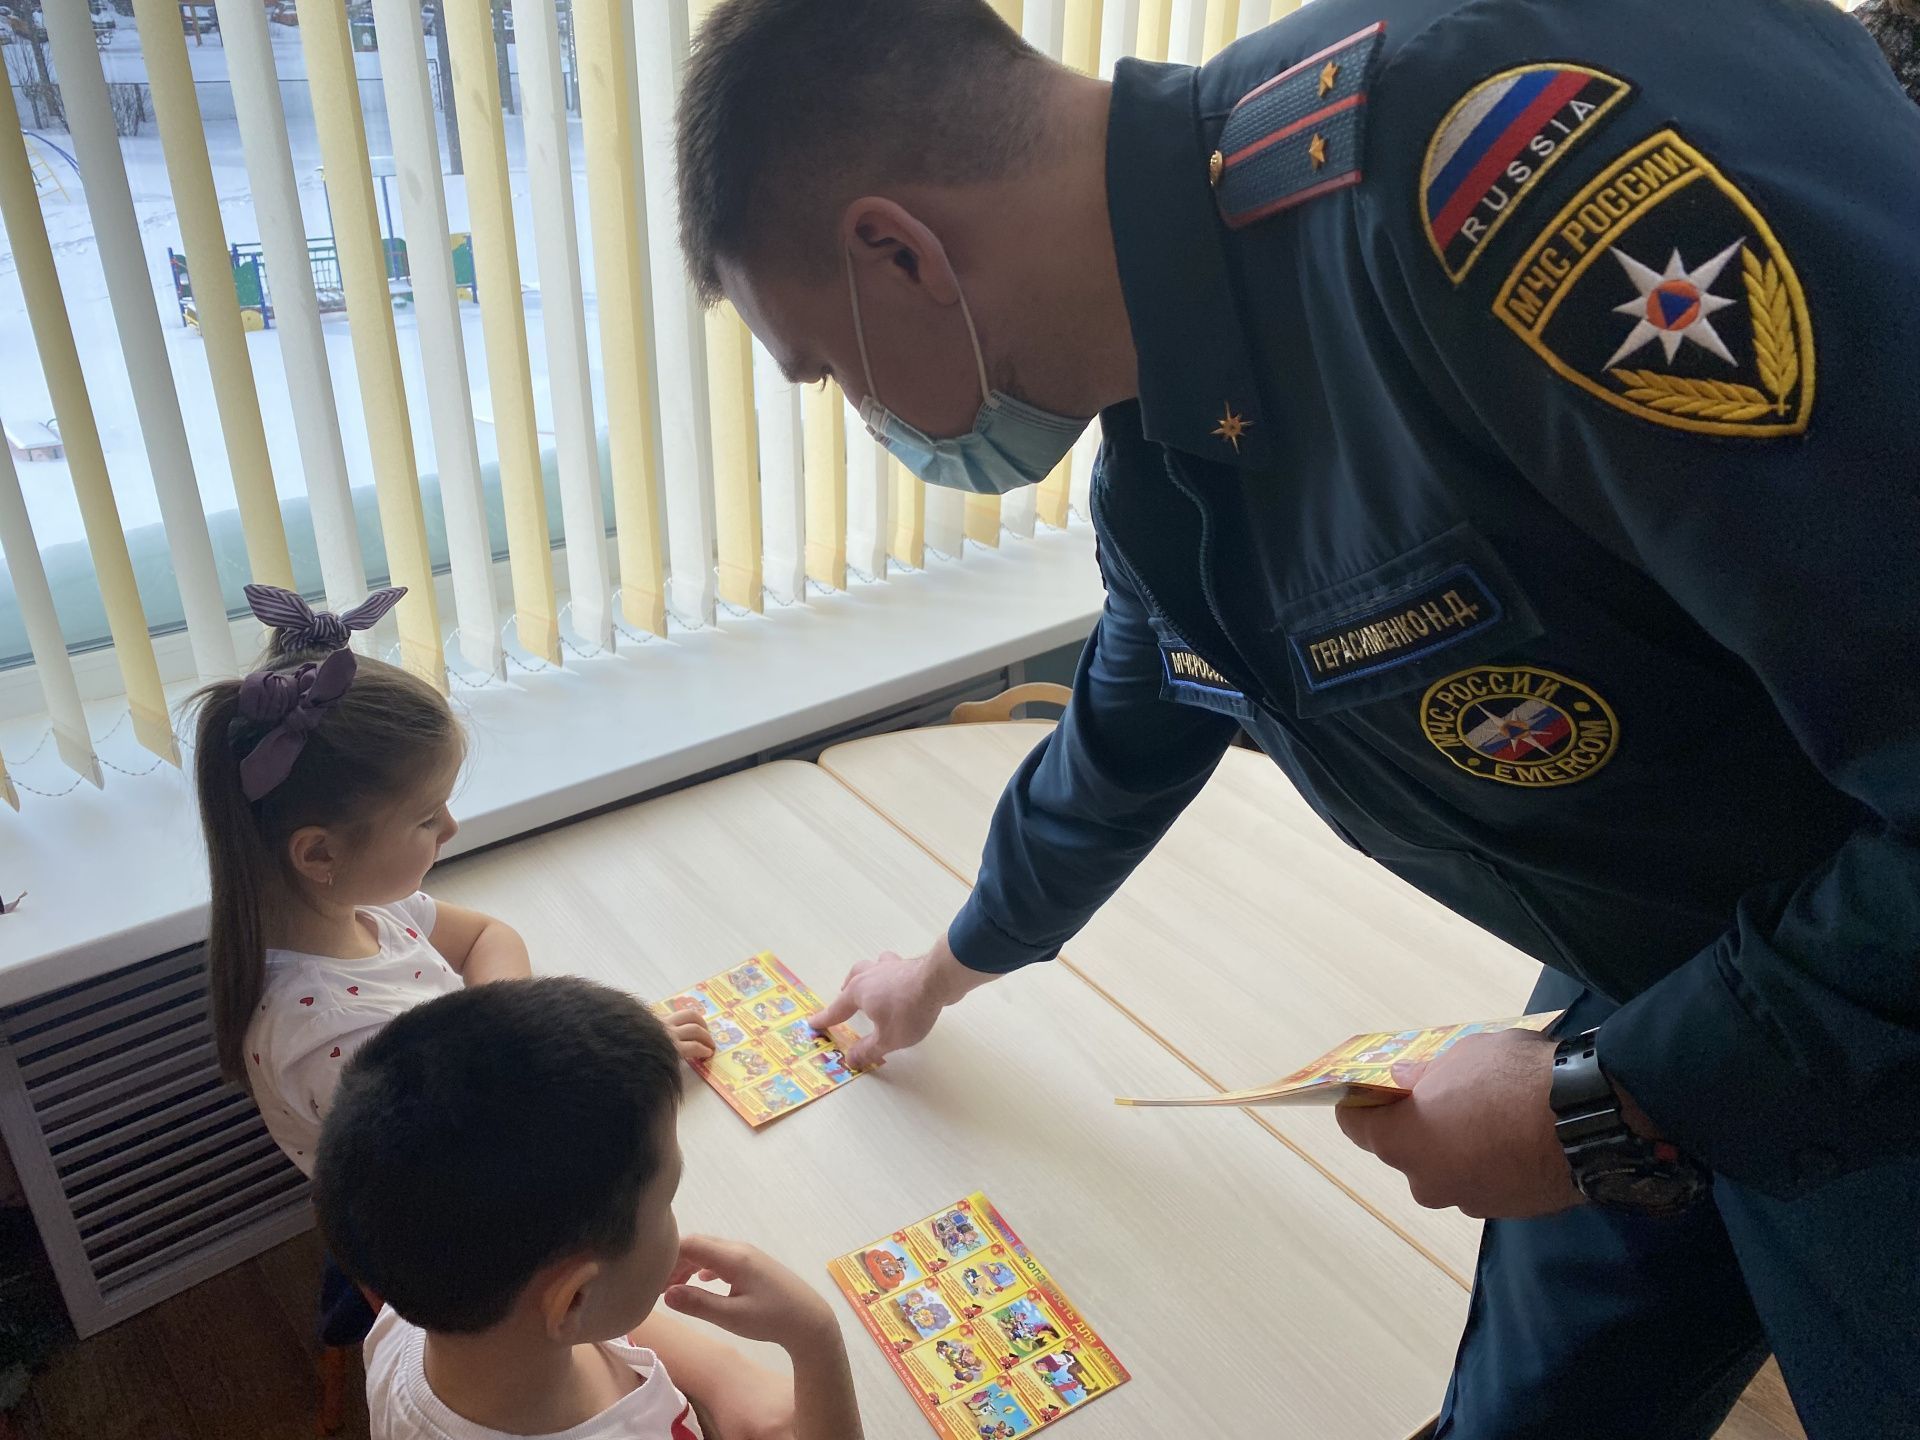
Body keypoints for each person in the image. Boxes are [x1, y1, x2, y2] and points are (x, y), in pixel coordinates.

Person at [672, 1, 1920, 1436]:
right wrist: (944, 970)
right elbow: (1132, 728)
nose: (861, 412)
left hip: (1857, 1006)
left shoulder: (1482, 183)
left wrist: (1621, 1099)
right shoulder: (1169, 437)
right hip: (1662, 959)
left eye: (829, 369)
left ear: (900, 252)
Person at [189, 586, 715, 1345]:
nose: (452, 827)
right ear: (319, 853)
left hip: (473, 1179)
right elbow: (503, 1170)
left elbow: (488, 936)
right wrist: (563, 1064)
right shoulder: (332, 1036)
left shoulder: (363, 909)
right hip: (458, 1269)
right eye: (426, 817)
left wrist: (518, 1044)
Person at [311, 976, 864, 1440]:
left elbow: (567, 1318)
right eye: (667, 1203)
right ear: (575, 1298)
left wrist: (723, 1372)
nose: (676, 1222)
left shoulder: (414, 1313)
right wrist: (815, 1339)